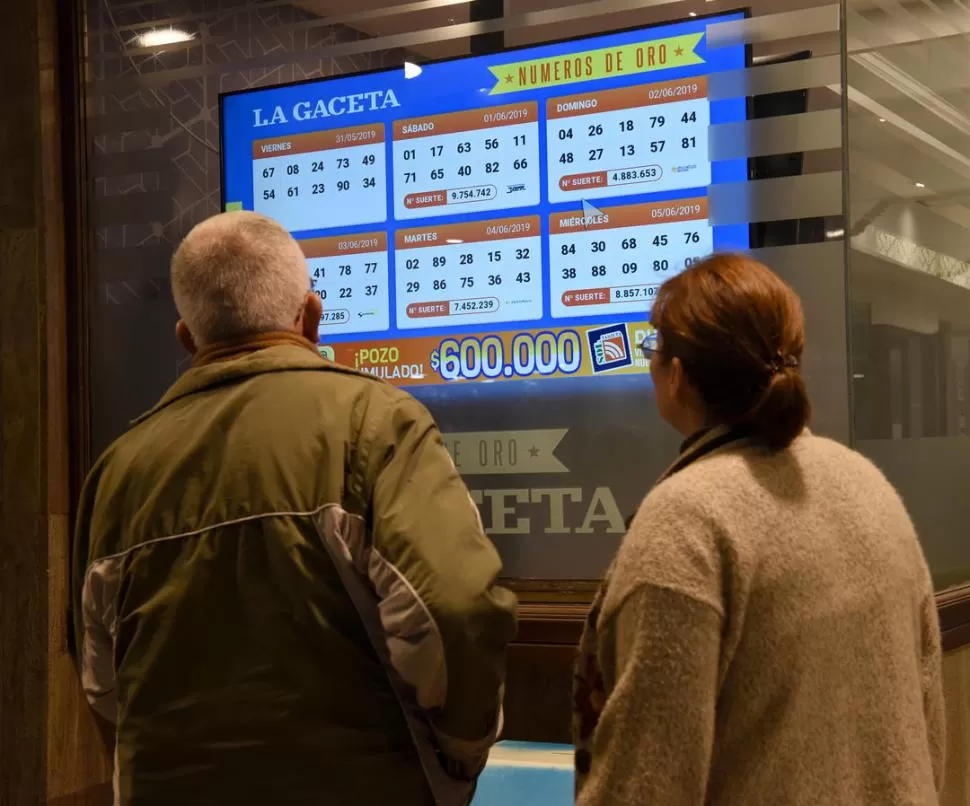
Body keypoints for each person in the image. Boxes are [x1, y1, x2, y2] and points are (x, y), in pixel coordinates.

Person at [72, 211, 517, 806]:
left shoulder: (115, 471)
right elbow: (454, 608)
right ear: (311, 314)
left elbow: (102, 680)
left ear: (187, 338)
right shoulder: (375, 424)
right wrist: (461, 753)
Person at [573, 254, 945, 806]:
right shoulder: (868, 485)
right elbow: (928, 723)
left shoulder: (686, 519)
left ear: (676, 377)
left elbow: (647, 780)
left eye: (654, 349)